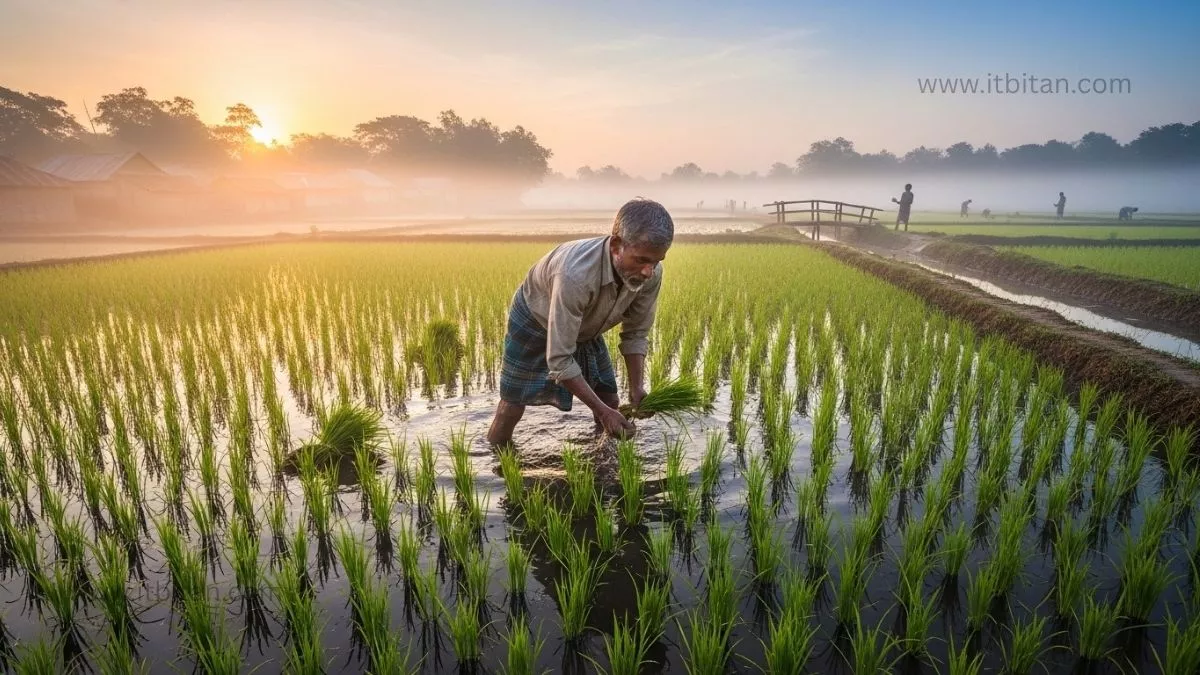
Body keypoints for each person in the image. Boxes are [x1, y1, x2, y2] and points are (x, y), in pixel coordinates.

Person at [486, 198, 673, 446]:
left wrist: (636, 389)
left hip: (587, 325)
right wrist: (604, 414)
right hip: (535, 317)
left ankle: (603, 457)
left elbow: (635, 334)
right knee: (512, 404)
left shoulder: (650, 274)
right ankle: (497, 458)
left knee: (610, 399)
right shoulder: (575, 274)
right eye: (640, 260)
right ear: (617, 245)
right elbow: (560, 359)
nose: (648, 271)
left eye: (656, 261)